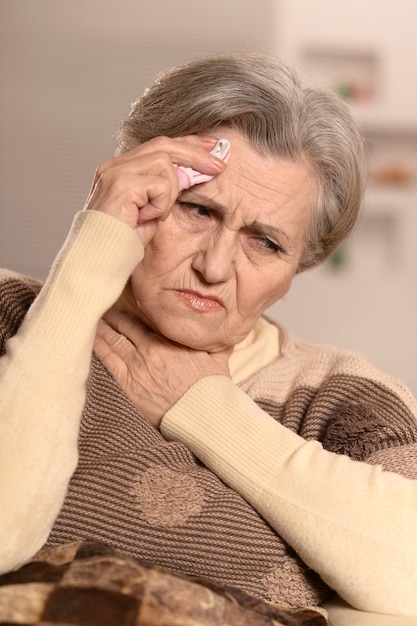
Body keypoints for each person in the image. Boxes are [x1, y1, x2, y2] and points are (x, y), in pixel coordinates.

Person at [0, 53, 416, 621]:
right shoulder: (9, 311)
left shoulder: (340, 392)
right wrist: (87, 262)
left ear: (300, 263)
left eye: (265, 243)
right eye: (196, 209)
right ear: (135, 191)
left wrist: (204, 411)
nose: (216, 267)